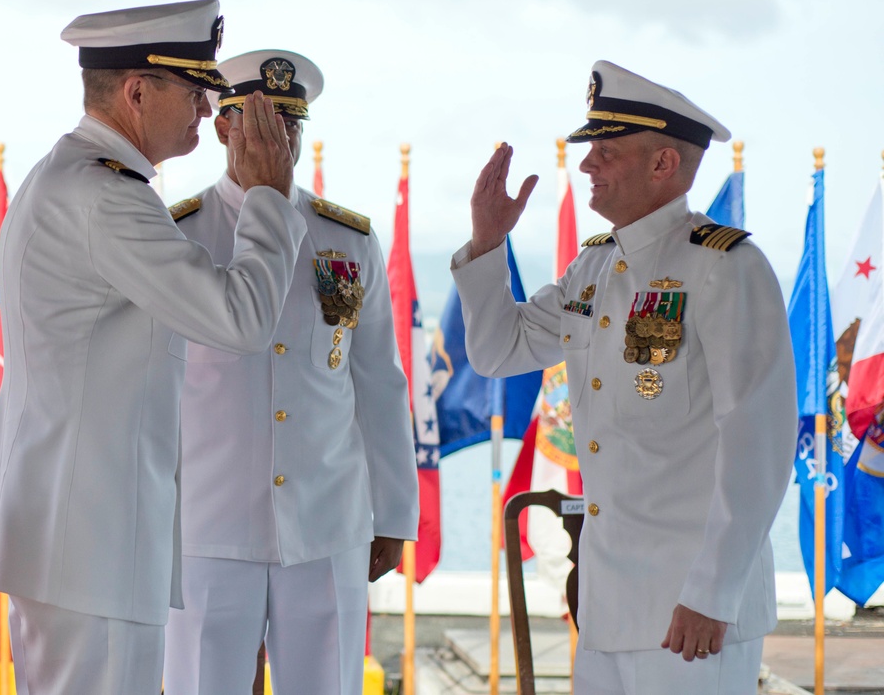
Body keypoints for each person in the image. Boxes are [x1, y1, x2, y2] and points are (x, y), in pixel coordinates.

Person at [0, 0, 308, 695]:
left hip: (78, 536)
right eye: (196, 91)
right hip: (91, 543)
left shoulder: (74, 175)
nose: (209, 110)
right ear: (138, 91)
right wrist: (268, 197)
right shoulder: (106, 196)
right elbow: (241, 319)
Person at [452, 60, 797, 694]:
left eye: (606, 151)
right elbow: (499, 353)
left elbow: (760, 446)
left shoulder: (726, 268)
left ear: (663, 164)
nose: (587, 165)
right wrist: (486, 243)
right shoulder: (594, 268)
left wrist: (713, 593)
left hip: (691, 611)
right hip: (610, 605)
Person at [161, 49, 419, 695]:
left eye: (292, 127)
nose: (282, 142)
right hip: (205, 528)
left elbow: (379, 384)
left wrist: (393, 514)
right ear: (223, 128)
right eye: (263, 125)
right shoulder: (179, 237)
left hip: (327, 526)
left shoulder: (348, 241)